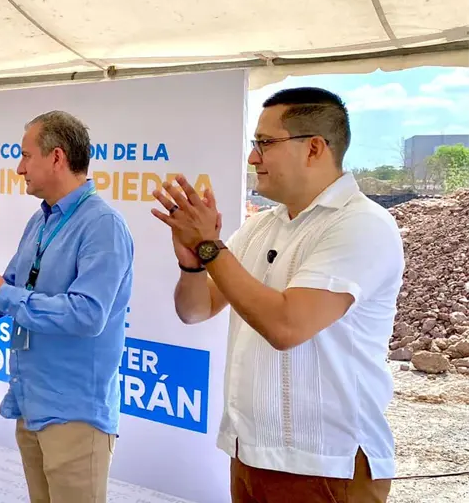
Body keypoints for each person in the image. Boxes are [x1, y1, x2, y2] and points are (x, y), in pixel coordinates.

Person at [150, 87, 402, 503]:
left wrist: (211, 248)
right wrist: (193, 262)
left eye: (265, 143)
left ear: (314, 148)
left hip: (326, 465)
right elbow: (195, 311)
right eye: (255, 145)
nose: (253, 158)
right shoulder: (260, 227)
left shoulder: (362, 224)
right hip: (250, 455)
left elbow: (286, 326)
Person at [0, 110, 134, 503]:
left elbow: (87, 314)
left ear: (57, 158)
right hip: (32, 404)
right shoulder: (41, 220)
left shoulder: (102, 225)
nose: (19, 168)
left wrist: (2, 293)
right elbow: (15, 289)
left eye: (26, 156)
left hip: (76, 414)